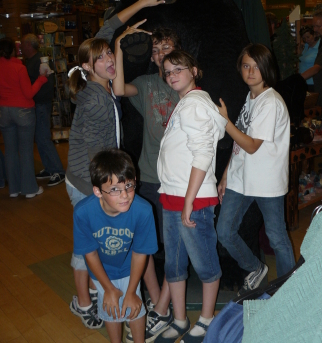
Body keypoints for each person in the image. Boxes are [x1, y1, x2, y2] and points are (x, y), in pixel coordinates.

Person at [113, 25, 181, 343]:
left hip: (178, 182)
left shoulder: (187, 86)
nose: (159, 54)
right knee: (145, 244)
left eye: (165, 47)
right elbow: (117, 88)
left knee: (177, 247)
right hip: (149, 178)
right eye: (155, 50)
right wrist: (118, 46)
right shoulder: (147, 84)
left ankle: (164, 307)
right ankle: (157, 304)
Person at [156, 50, 227, 343]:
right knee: (173, 265)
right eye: (168, 71)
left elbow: (204, 152)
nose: (172, 75)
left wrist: (188, 201)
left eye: (178, 69)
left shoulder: (195, 104)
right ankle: (180, 318)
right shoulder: (189, 103)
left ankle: (207, 319)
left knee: (204, 263)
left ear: (194, 70)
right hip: (174, 195)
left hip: (191, 200)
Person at [216, 44, 295, 297]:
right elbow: (240, 142)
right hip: (241, 178)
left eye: (256, 65)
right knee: (224, 231)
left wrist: (224, 121)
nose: (250, 71)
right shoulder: (251, 98)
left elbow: (250, 145)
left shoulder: (269, 101)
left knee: (276, 236)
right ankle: (255, 268)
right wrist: (226, 173)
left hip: (266, 181)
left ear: (266, 68)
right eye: (246, 65)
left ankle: (288, 289)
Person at [73, 148, 158, 343]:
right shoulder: (83, 213)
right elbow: (90, 254)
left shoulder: (143, 211)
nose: (125, 195)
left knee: (134, 306)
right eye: (114, 190)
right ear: (97, 191)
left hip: (130, 268)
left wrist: (131, 291)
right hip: (101, 269)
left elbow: (139, 254)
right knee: (110, 308)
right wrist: (109, 289)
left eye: (129, 185)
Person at [66, 37, 122, 329]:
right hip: (87, 181)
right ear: (87, 66)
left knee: (93, 241)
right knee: (86, 244)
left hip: (87, 176)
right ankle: (83, 302)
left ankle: (88, 289)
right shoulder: (98, 98)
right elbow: (92, 150)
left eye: (110, 53)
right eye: (101, 58)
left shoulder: (96, 87)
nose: (109, 60)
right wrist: (102, 188)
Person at [0, 37, 48, 198]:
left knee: (10, 151)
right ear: (13, 50)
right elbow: (29, 93)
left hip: (4, 111)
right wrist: (42, 79)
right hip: (23, 111)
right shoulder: (19, 68)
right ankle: (29, 189)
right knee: (26, 151)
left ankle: (14, 189)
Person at [21, 33, 65, 186]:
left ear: (28, 45)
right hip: (39, 103)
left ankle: (58, 171)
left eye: (22, 45)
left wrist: (37, 98)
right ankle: (50, 167)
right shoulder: (38, 60)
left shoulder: (39, 61)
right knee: (40, 138)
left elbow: (45, 84)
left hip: (40, 104)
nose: (21, 48)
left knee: (43, 138)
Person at [298, 26, 320, 92]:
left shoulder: (319, 47)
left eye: (308, 37)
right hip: (303, 81)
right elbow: (299, 60)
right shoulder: (306, 46)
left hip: (312, 82)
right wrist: (300, 49)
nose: (306, 40)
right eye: (304, 38)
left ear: (314, 35)